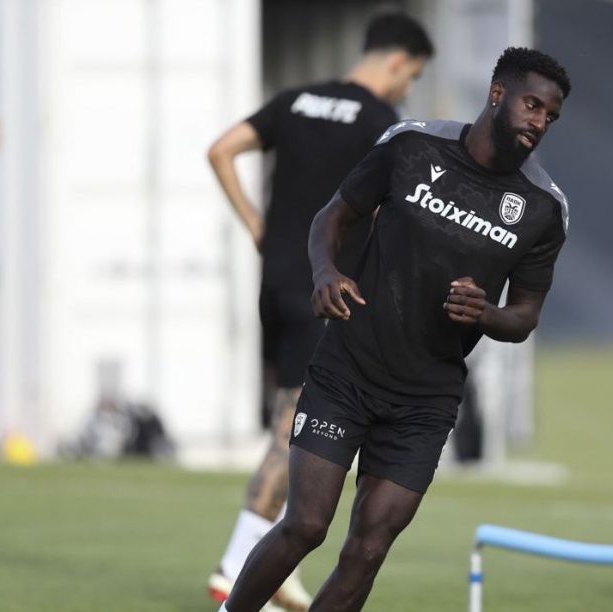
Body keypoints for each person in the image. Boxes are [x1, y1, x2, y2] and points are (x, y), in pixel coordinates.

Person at [218, 47, 571, 612]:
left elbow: (525, 315)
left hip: (425, 402)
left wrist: (485, 312)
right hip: (347, 372)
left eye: (551, 116)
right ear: (497, 94)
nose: (540, 122)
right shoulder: (412, 146)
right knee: (306, 524)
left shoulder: (542, 209)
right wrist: (325, 272)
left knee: (366, 551)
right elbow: (332, 217)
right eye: (532, 105)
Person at [205, 13, 433, 610]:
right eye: (412, 76)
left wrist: (257, 226)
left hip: (276, 284)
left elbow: (221, 150)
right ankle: (236, 566)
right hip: (324, 292)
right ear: (398, 62)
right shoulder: (383, 123)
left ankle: (270, 572)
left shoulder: (295, 100)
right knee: (293, 428)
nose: (408, 86)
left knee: (290, 420)